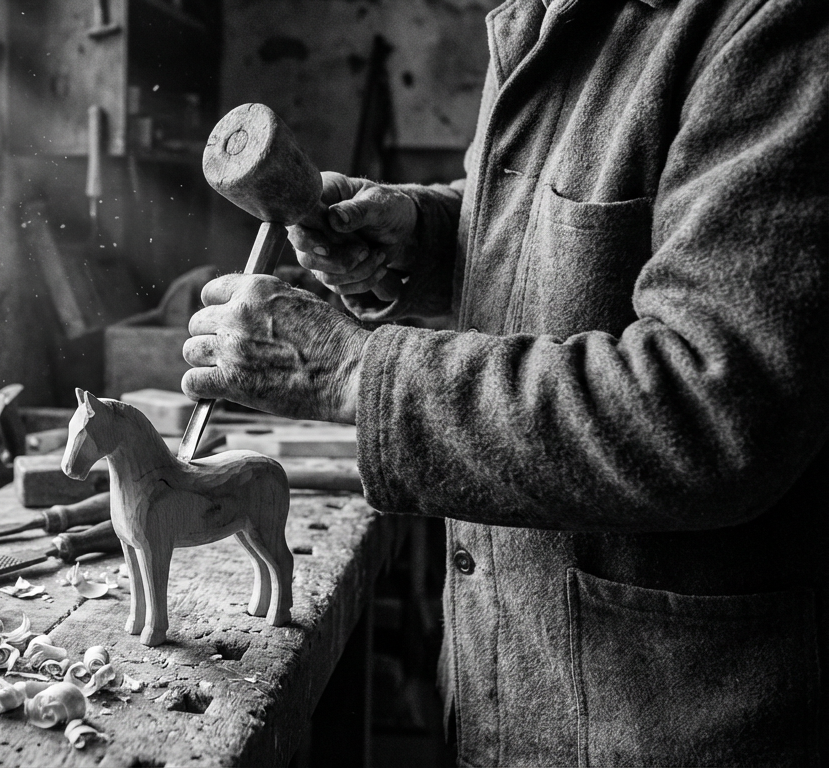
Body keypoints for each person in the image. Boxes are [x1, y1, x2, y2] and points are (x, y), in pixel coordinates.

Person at [182, 0, 828, 763]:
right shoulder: (538, 17)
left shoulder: (768, 27)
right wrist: (424, 237)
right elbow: (576, 229)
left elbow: (715, 409)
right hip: (509, 677)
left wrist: (357, 372)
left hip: (664, 719)